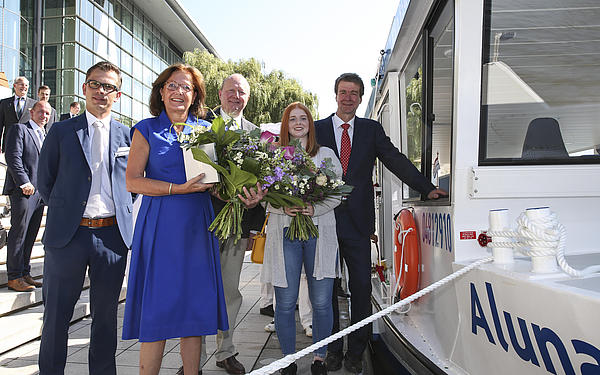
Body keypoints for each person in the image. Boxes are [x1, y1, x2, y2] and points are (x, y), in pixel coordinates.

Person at [315, 73, 447, 373]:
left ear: (361, 98)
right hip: (324, 221)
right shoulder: (318, 129)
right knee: (328, 290)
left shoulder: (371, 130)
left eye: (354, 93)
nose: (348, 97)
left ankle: (356, 351)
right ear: (335, 95)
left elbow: (395, 159)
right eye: (343, 92)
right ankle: (333, 348)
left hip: (359, 223)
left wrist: (426, 187)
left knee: (361, 288)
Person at [122, 63, 229, 375]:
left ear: (195, 95)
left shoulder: (206, 132)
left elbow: (214, 186)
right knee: (157, 311)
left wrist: (237, 191)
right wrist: (175, 189)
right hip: (160, 227)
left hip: (197, 228)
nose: (179, 92)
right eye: (173, 85)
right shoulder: (146, 129)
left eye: (187, 87)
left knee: (193, 314)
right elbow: (133, 181)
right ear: (161, 91)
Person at [37, 61, 134, 375]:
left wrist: (119, 208)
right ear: (84, 88)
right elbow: (44, 179)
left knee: (105, 319)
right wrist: (67, 211)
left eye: (109, 87)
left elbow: (132, 183)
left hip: (111, 237)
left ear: (117, 95)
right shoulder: (62, 130)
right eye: (96, 84)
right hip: (68, 236)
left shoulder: (127, 135)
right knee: (56, 318)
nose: (101, 92)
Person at [180, 73, 266, 375]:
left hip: (237, 224)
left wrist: (257, 201)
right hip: (202, 222)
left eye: (241, 92)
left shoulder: (258, 136)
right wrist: (209, 185)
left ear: (248, 97)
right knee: (197, 290)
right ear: (220, 94)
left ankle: (226, 352)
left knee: (230, 290)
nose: (236, 96)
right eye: (231, 91)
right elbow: (192, 168)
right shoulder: (201, 126)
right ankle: (192, 361)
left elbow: (264, 181)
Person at [262, 102, 342, 375]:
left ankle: (319, 357)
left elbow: (337, 193)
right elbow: (265, 198)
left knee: (321, 302)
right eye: (292, 119)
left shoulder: (326, 154)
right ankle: (288, 360)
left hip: (320, 233)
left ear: (310, 123)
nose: (298, 123)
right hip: (285, 232)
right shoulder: (274, 155)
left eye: (303, 118)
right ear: (286, 125)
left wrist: (313, 208)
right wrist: (282, 205)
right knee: (285, 303)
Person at [2, 101, 51, 292]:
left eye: (47, 113)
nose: (44, 116)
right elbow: (13, 156)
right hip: (23, 190)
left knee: (31, 234)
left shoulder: (45, 135)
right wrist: (23, 182)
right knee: (19, 233)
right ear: (31, 112)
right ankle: (14, 277)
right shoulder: (19, 129)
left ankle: (24, 271)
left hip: (40, 193)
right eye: (40, 111)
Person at [0, 76, 37, 152]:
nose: (24, 87)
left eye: (26, 85)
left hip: (28, 143)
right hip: (9, 143)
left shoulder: (34, 104)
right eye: (21, 84)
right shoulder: (4, 103)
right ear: (14, 86)